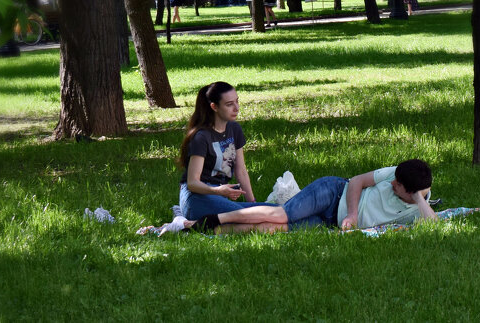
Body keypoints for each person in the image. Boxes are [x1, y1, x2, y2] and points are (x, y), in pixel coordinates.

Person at [185, 159, 438, 234]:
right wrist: (351, 213)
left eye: (398, 185)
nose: (392, 183)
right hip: (333, 193)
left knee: (277, 229)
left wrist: (418, 199)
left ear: (411, 192)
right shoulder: (398, 173)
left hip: (329, 223)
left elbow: (434, 226)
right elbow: (357, 181)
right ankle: (215, 218)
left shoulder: (418, 204)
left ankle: (204, 230)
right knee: (279, 214)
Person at [177, 81, 274, 220]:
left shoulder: (234, 129)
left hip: (219, 195)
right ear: (214, 107)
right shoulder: (201, 137)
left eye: (237, 101)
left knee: (274, 210)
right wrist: (217, 191)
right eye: (229, 104)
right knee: (260, 215)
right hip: (196, 198)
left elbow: (240, 170)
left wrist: (252, 202)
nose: (236, 108)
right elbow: (192, 183)